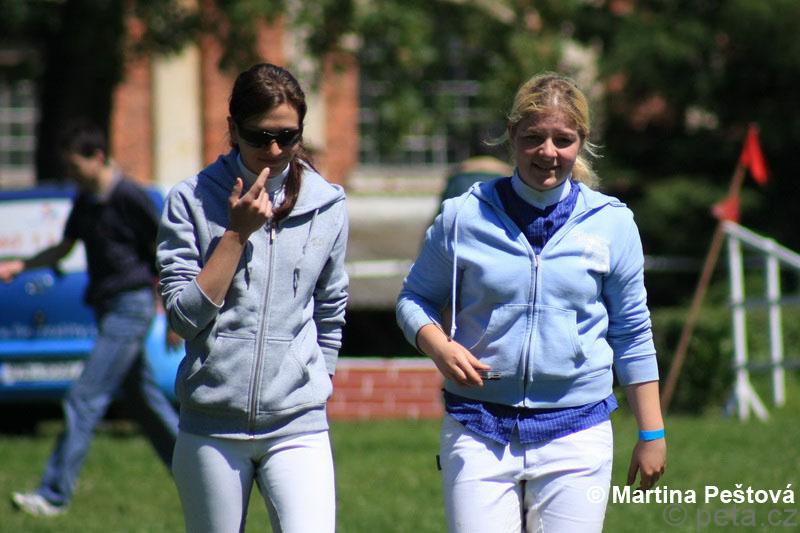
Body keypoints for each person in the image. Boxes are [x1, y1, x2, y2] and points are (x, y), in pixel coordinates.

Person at [396, 72, 667, 532]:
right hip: (477, 426)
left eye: (563, 140)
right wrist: (438, 346)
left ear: (582, 142)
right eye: (533, 138)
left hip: (578, 431)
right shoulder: (462, 215)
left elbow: (632, 333)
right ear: (511, 136)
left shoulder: (613, 223)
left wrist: (652, 433)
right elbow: (414, 297)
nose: (547, 152)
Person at [156, 63, 349, 533]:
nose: (275, 150)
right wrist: (236, 235)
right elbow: (182, 317)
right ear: (233, 128)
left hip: (297, 422)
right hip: (212, 424)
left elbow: (331, 304)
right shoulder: (190, 200)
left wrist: (316, 379)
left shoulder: (327, 203)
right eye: (260, 136)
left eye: (287, 136)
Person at [3, 120, 179, 517]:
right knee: (144, 401)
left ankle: (52, 495)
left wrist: (173, 313)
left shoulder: (130, 196)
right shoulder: (85, 200)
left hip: (131, 307)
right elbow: (63, 248)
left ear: (97, 157)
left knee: (84, 397)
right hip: (106, 307)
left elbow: (166, 254)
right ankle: (194, 471)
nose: (70, 174)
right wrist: (22, 265)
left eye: (74, 166)